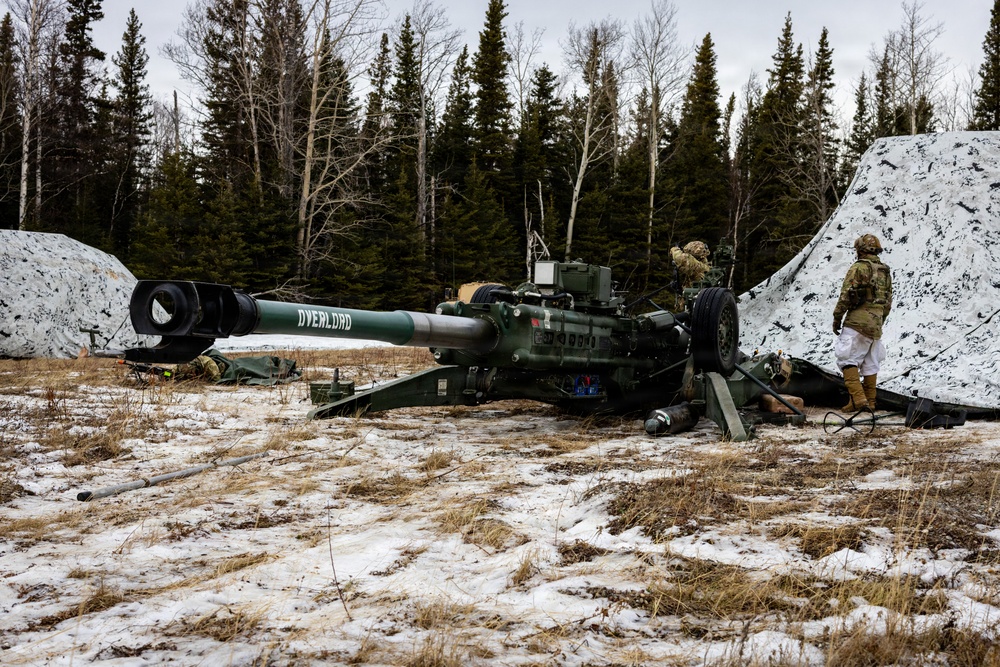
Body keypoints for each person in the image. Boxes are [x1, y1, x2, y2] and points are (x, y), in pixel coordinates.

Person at [833, 233, 893, 412]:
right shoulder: (885, 270)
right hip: (876, 324)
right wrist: (880, 320)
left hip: (857, 322)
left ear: (860, 249)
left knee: (846, 359)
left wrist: (837, 317)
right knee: (870, 362)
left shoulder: (858, 268)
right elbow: (888, 300)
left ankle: (859, 400)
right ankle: (870, 402)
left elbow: (845, 295)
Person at [670, 241, 711, 310]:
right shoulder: (703, 266)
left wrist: (675, 249)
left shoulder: (699, 266)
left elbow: (681, 258)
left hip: (697, 307)